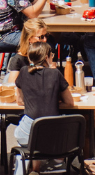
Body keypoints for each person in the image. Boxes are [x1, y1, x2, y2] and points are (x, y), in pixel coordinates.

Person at [12, 41, 75, 175]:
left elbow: (19, 101)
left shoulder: (23, 72)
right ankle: (55, 163)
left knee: (29, 134)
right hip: (52, 135)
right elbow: (70, 103)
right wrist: (51, 102)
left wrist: (33, 102)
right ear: (47, 57)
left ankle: (34, 169)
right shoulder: (55, 74)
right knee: (50, 133)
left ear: (30, 58)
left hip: (28, 132)